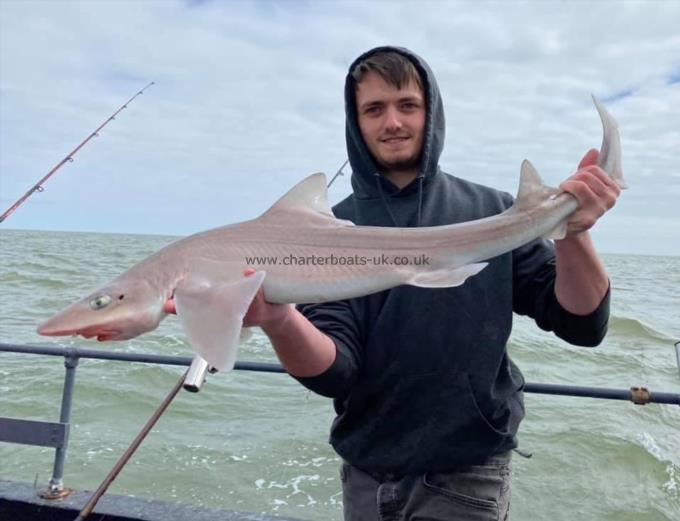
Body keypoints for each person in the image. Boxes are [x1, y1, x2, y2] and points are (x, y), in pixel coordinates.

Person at [170, 46, 620, 520]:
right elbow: (336, 371)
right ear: (355, 121)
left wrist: (573, 229)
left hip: (467, 471)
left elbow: (581, 323)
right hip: (364, 471)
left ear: (432, 112)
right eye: (374, 109)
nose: (393, 123)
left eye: (407, 105)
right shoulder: (330, 231)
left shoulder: (493, 213)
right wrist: (278, 318)